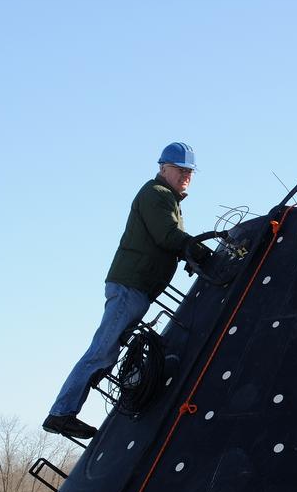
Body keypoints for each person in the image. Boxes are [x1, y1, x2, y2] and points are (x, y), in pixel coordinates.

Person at [43, 142, 208, 439]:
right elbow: (167, 235)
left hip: (138, 288)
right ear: (163, 168)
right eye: (180, 169)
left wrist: (188, 252)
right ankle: (61, 413)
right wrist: (193, 249)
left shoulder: (166, 198)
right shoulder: (156, 194)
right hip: (131, 286)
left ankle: (66, 412)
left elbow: (168, 239)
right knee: (102, 351)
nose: (186, 175)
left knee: (107, 350)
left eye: (189, 171)